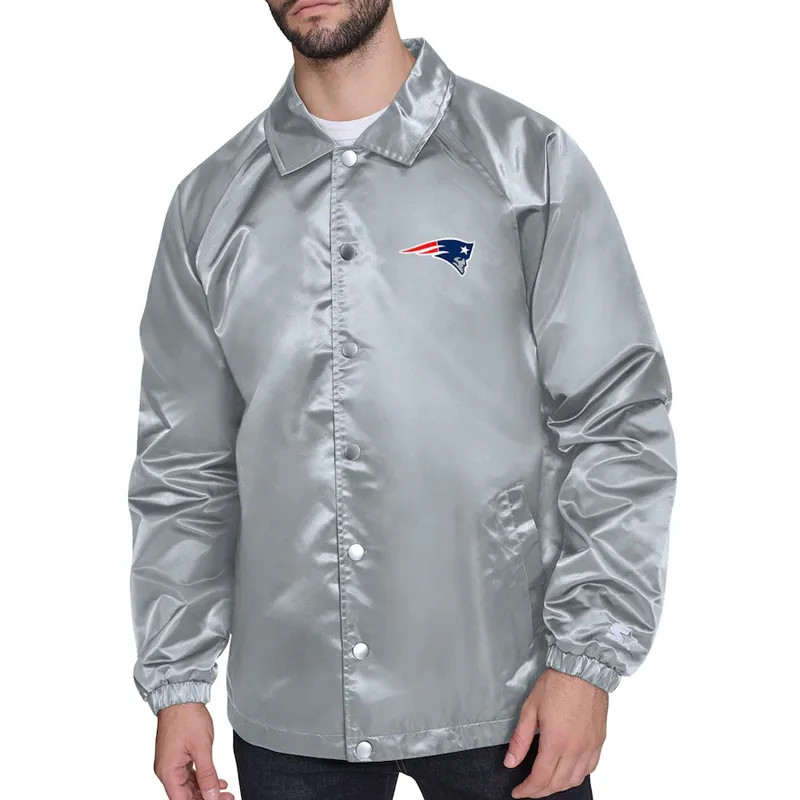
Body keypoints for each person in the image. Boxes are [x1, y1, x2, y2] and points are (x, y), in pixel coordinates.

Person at [128, 2, 678, 798]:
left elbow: (618, 418)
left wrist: (587, 661)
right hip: (292, 703)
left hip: (508, 691)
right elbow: (185, 464)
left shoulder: (525, 161)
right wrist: (177, 682)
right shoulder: (210, 205)